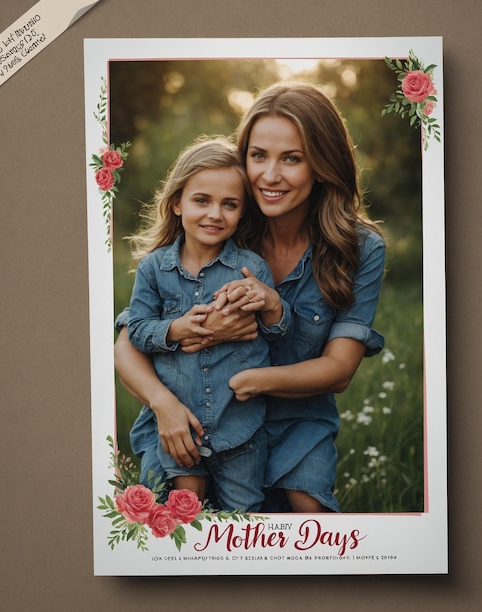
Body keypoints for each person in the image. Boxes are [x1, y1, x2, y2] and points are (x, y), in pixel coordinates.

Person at [115, 81, 385, 513]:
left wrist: (252, 382)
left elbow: (338, 371)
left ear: (321, 164)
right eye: (258, 155)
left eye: (291, 159)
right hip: (195, 414)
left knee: (306, 522)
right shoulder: (223, 222)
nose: (269, 176)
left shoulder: (360, 248)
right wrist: (163, 403)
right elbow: (128, 342)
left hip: (295, 420)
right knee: (177, 526)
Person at [124, 136, 289, 513]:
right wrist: (174, 330)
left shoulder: (250, 268)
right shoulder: (154, 268)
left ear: (241, 212)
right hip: (180, 425)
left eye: (229, 205)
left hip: (239, 428)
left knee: (243, 518)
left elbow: (277, 334)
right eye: (202, 200)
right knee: (185, 510)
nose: (215, 214)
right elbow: (136, 329)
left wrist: (270, 306)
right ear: (177, 202)